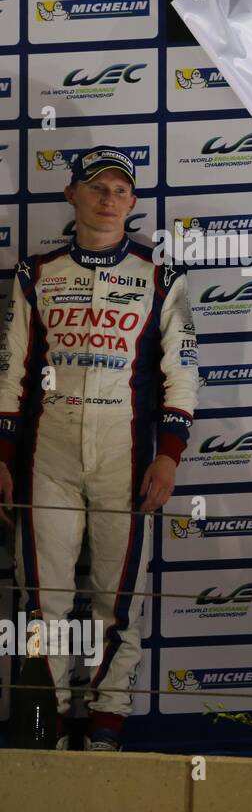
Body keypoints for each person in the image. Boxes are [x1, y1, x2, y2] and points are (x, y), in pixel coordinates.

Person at [0, 146, 199, 751]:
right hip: (47, 457)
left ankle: (107, 729)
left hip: (128, 456)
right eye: (96, 187)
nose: (109, 198)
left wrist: (169, 453)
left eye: (120, 189)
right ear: (72, 196)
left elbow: (183, 373)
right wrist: (4, 459)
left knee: (119, 603)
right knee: (45, 603)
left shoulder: (161, 274)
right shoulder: (36, 274)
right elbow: (13, 370)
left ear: (132, 203)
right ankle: (50, 729)